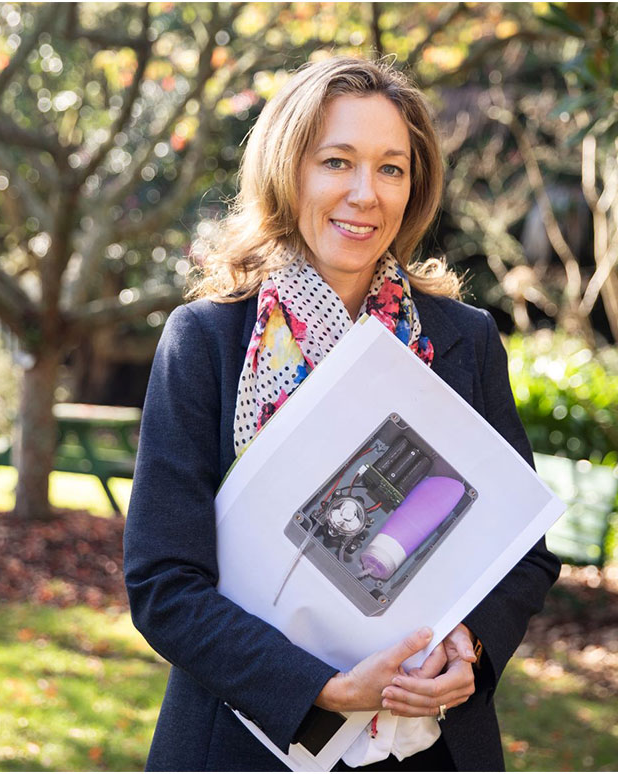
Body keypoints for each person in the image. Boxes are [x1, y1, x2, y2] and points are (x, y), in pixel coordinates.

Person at [124, 56, 560, 771]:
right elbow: (163, 584)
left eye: (391, 169)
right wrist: (323, 691)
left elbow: (523, 546)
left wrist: (471, 646)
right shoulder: (207, 340)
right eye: (336, 162)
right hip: (244, 743)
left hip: (426, 747)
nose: (365, 193)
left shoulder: (463, 340)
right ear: (287, 170)